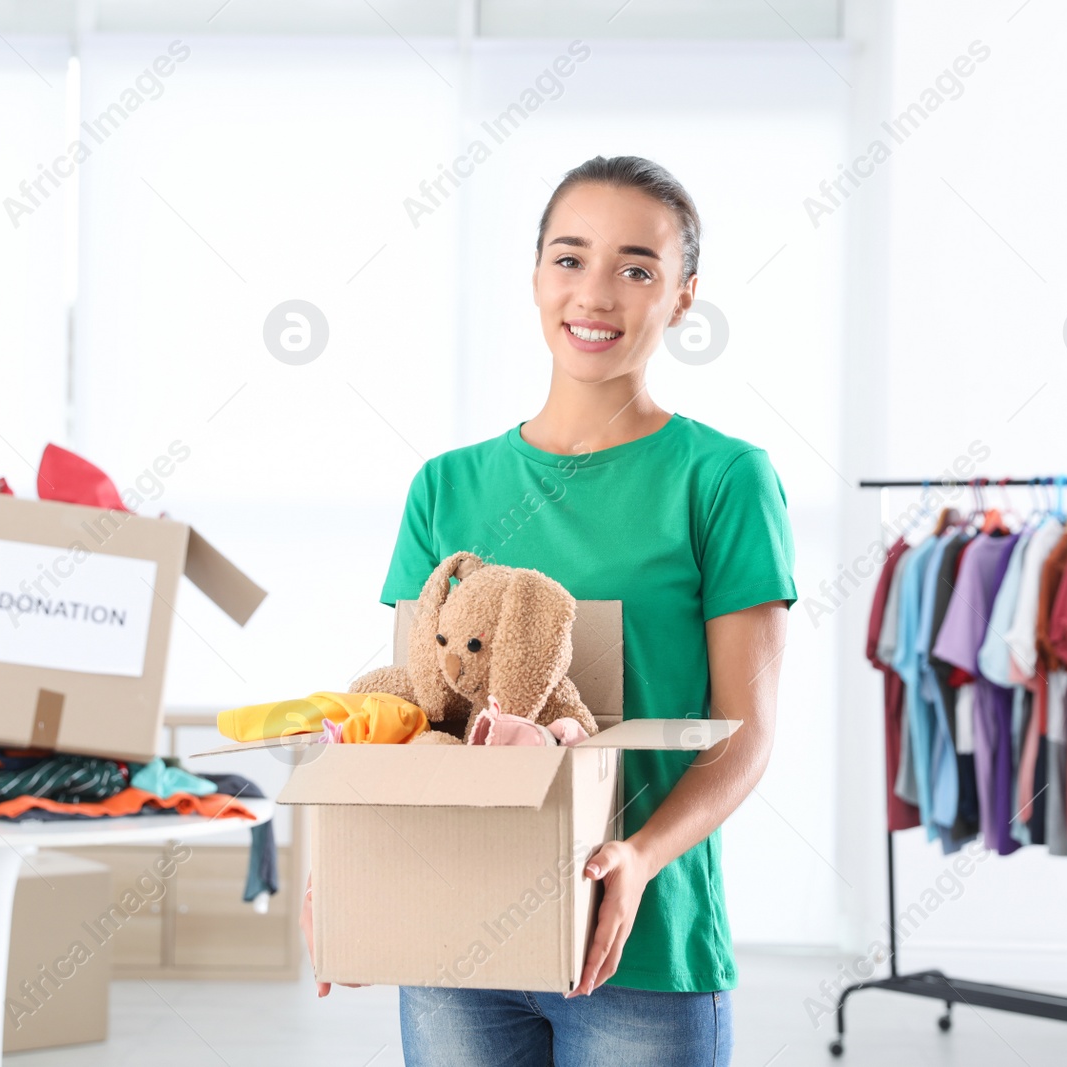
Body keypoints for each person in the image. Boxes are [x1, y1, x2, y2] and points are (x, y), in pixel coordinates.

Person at [300, 154, 796, 1067]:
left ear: (684, 296)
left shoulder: (722, 480)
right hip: (456, 935)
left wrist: (639, 857)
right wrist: (352, 871)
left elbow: (746, 736)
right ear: (535, 277)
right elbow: (410, 724)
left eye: (637, 268)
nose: (595, 293)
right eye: (569, 259)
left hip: (637, 952)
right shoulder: (445, 488)